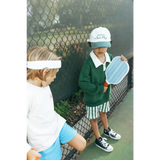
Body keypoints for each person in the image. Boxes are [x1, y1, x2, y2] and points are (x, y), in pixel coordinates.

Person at [24, 46, 86, 160]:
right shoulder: (26, 93)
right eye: (54, 73)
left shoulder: (42, 82)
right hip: (43, 141)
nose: (55, 77)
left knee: (82, 144)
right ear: (45, 71)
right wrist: (26, 151)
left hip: (56, 125)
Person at [78, 27, 128, 152]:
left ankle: (106, 130)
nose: (100, 49)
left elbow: (116, 69)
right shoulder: (88, 64)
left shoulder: (110, 57)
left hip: (104, 96)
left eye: (103, 46)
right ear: (91, 45)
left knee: (103, 113)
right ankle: (98, 138)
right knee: (94, 119)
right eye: (97, 46)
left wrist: (123, 63)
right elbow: (82, 83)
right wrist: (100, 88)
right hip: (93, 98)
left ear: (109, 44)